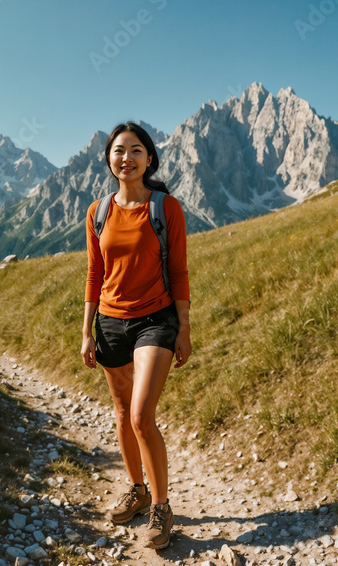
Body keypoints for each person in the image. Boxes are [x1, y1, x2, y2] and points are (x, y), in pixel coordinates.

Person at [79, 121, 191, 550]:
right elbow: (94, 274)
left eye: (136, 150)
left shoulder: (166, 208)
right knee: (122, 412)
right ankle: (137, 489)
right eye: (119, 151)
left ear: (149, 159)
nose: (126, 158)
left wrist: (183, 327)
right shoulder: (97, 212)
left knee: (143, 415)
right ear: (109, 159)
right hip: (109, 322)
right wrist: (86, 331)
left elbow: (179, 271)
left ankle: (161, 507)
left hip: (155, 321)